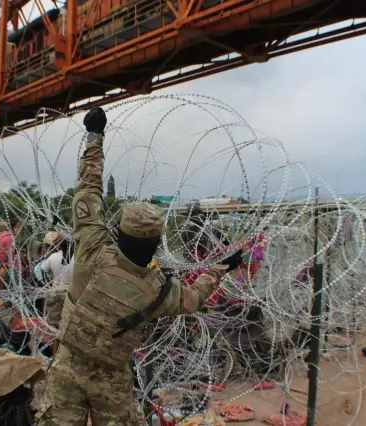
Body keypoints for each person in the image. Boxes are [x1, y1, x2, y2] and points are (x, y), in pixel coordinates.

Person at [36, 107, 243, 425]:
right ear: (156, 243)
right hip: (112, 380)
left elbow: (88, 188)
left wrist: (95, 137)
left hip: (67, 367)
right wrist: (220, 268)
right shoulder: (160, 290)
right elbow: (194, 298)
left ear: (118, 232)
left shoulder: (92, 247)